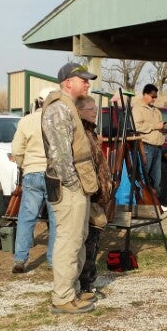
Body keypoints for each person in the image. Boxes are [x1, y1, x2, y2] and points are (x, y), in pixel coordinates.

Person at [42, 62, 100, 314]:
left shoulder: (68, 108)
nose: (87, 83)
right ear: (68, 82)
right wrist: (74, 185)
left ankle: (70, 292)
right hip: (69, 187)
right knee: (69, 241)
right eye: (83, 80)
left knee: (77, 239)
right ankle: (63, 298)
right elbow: (60, 155)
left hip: (77, 185)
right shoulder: (58, 110)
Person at [10, 88, 58, 274]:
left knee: (26, 217)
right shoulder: (56, 121)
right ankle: (53, 260)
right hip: (53, 174)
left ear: (38, 102)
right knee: (55, 219)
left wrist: (24, 166)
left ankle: (20, 259)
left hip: (31, 173)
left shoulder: (26, 121)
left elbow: (17, 149)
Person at [77, 95, 113, 296]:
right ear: (80, 111)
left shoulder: (91, 132)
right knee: (88, 243)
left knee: (93, 240)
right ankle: (85, 285)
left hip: (96, 195)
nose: (95, 111)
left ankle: (88, 283)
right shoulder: (81, 134)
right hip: (87, 195)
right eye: (90, 108)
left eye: (95, 107)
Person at [130, 83, 167, 212]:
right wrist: (155, 126)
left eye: (155, 96)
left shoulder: (156, 110)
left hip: (157, 147)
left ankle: (155, 203)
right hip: (145, 147)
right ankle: (143, 203)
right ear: (145, 94)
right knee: (144, 177)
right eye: (152, 96)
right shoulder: (137, 109)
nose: (154, 99)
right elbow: (137, 126)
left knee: (156, 179)